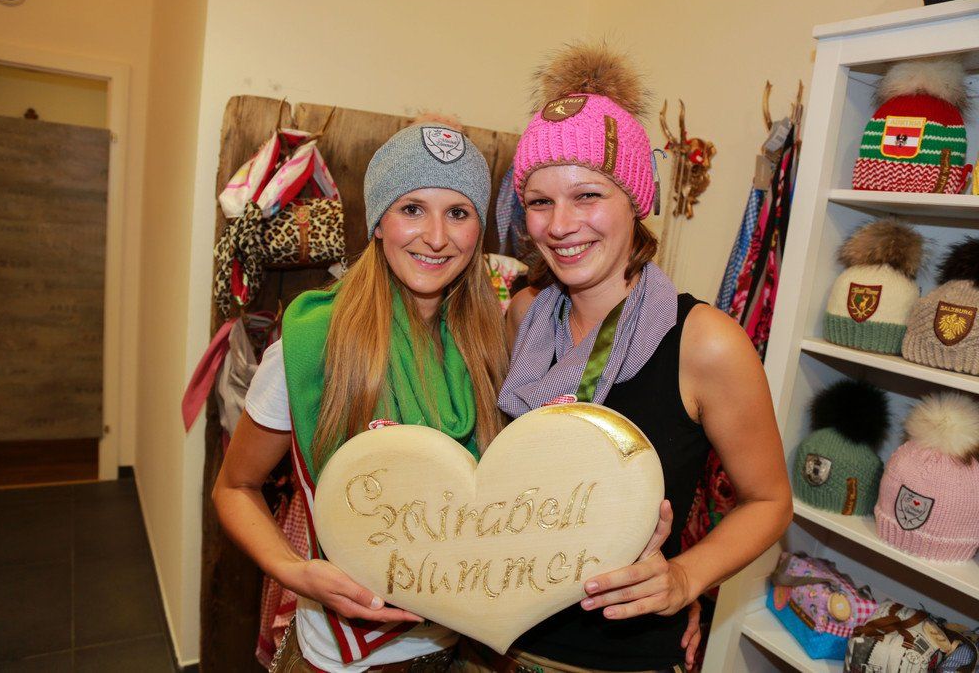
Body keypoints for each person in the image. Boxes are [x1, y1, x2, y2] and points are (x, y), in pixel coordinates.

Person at [464, 43, 793, 673]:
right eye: (540, 201)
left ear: (635, 201)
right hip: (495, 637)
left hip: (616, 657)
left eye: (587, 195)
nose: (561, 225)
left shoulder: (704, 342)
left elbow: (769, 501)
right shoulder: (525, 314)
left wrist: (686, 578)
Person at [213, 119, 508, 673]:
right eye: (412, 208)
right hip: (342, 658)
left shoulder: (489, 345)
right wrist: (294, 571)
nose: (437, 236)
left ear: (479, 230)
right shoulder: (313, 343)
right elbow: (235, 486)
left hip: (458, 643)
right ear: (377, 221)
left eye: (458, 212)